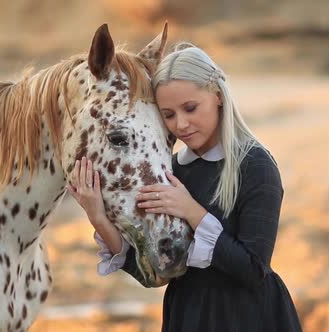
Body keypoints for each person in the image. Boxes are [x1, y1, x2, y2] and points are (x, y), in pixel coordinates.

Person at [66, 43, 303, 332]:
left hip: (249, 317)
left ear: (217, 95)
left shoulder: (256, 166)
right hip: (186, 315)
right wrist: (98, 217)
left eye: (190, 108)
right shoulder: (172, 169)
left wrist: (192, 212)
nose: (181, 124)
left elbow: (253, 270)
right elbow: (154, 273)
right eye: (168, 114)